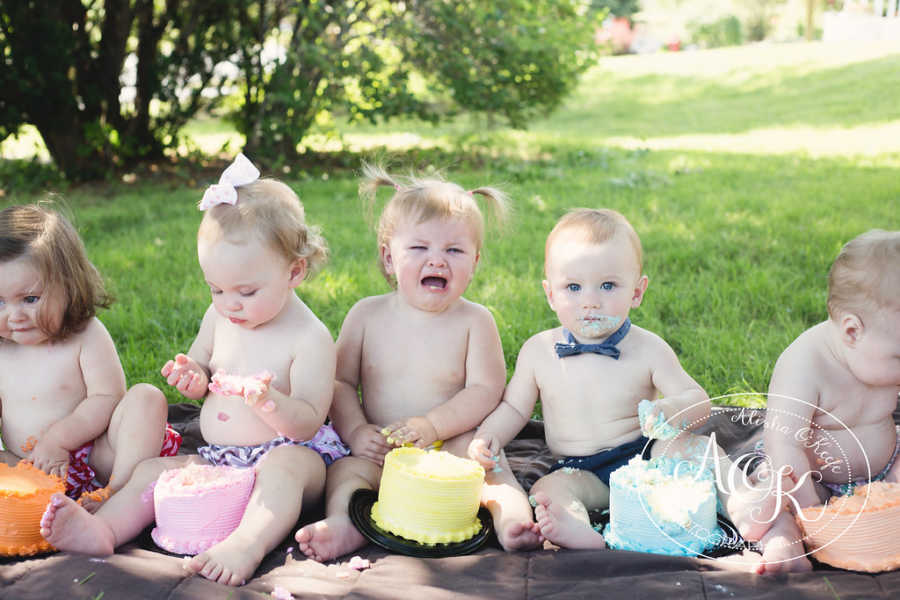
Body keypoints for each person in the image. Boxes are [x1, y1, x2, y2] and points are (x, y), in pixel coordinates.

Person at [40, 154, 347, 586]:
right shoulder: (220, 315)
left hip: (290, 455)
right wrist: (194, 376)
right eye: (216, 288)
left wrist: (269, 403)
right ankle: (103, 529)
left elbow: (308, 422)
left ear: (294, 271)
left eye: (246, 291)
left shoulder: (309, 338)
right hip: (219, 457)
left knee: (285, 468)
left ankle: (247, 544)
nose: (229, 303)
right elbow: (203, 368)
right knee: (153, 472)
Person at [295, 163, 542, 562]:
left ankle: (510, 517)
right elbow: (339, 383)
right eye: (419, 248)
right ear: (389, 258)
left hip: (451, 442)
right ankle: (347, 523)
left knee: (488, 467)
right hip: (382, 444)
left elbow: (486, 389)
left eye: (454, 250)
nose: (437, 261)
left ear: (475, 262)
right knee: (345, 474)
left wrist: (433, 426)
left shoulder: (476, 321)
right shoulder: (366, 315)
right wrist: (357, 432)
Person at [468, 208, 748, 552]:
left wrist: (670, 409)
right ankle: (577, 532)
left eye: (608, 285)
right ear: (550, 294)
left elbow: (699, 401)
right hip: (579, 469)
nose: (590, 301)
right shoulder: (539, 352)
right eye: (573, 286)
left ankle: (747, 505)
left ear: (636, 291)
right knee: (549, 489)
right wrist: (488, 437)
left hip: (647, 456)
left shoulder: (648, 349)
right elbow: (514, 407)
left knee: (700, 449)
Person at [0, 203, 179, 511]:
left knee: (146, 398)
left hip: (98, 457)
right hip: (29, 467)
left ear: (68, 288)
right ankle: (34, 502)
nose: (14, 316)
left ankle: (120, 491)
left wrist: (59, 439)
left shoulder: (85, 334)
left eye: (30, 299)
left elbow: (108, 397)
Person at [752, 229, 900, 574]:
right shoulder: (805, 364)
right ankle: (783, 542)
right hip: (814, 482)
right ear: (852, 331)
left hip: (886, 468)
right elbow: (784, 444)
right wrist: (814, 513)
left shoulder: (880, 353)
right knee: (774, 494)